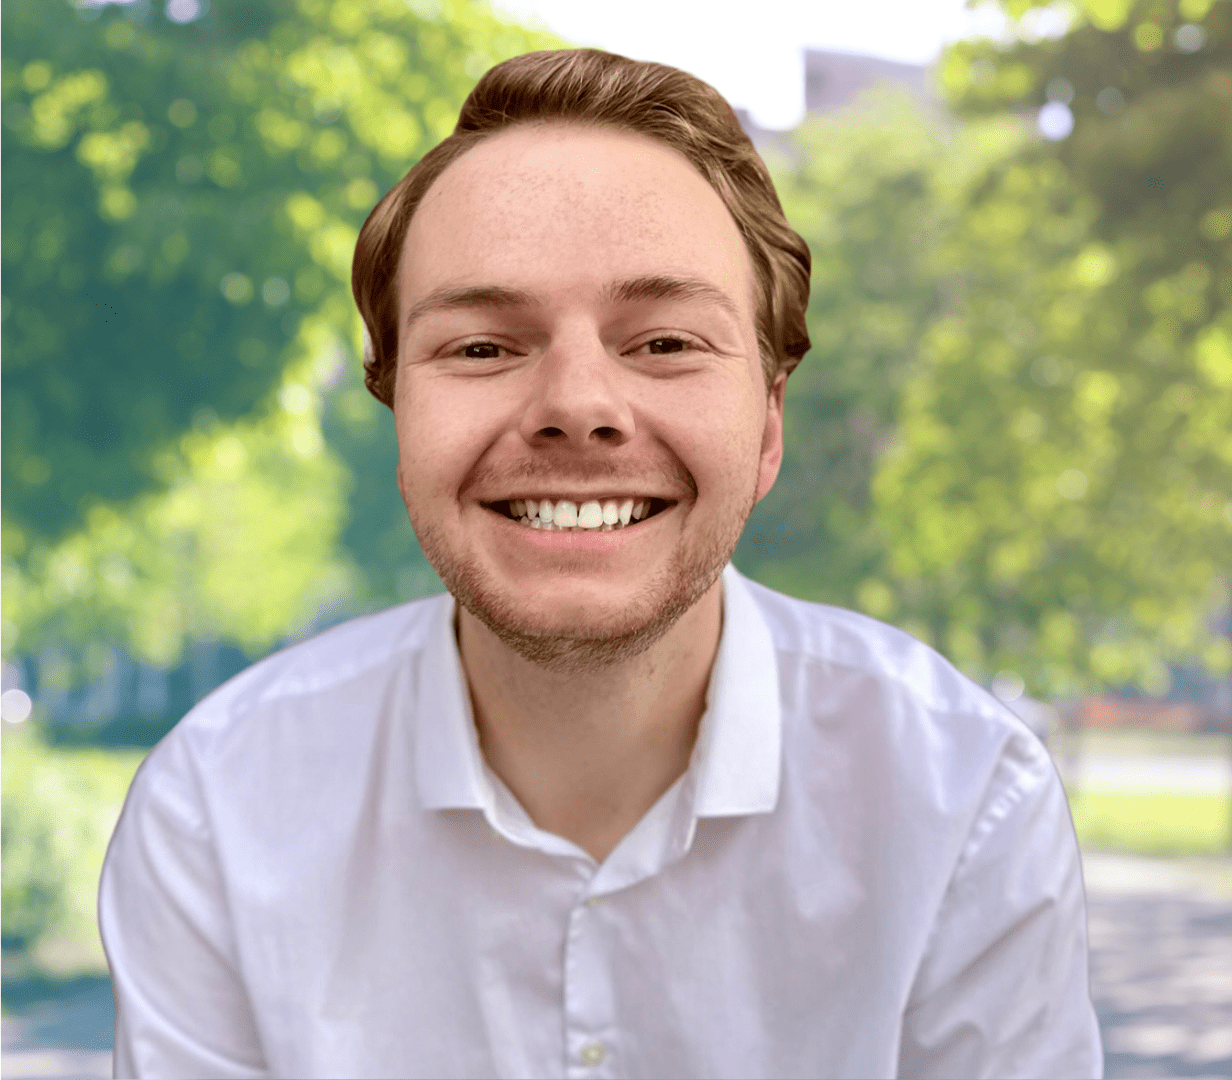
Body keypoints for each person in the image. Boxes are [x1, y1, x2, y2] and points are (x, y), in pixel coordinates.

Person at [98, 48, 1103, 1079]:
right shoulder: (215, 808)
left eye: (664, 343)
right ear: (399, 417)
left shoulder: (964, 801)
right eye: (483, 348)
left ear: (766, 425)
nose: (576, 404)